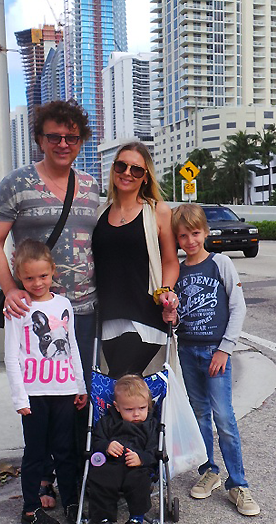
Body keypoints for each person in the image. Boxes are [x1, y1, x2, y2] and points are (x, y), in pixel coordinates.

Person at [0, 99, 99, 509]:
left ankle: (76, 477)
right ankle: (44, 479)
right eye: (55, 136)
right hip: (34, 315)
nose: (63, 144)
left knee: (76, 397)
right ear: (40, 139)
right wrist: (10, 288)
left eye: (72, 137)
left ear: (81, 141)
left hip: (83, 310)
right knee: (41, 400)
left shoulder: (91, 186)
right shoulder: (16, 184)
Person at [163, 203, 260, 516]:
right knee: (200, 414)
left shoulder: (220, 263)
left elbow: (237, 307)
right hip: (188, 351)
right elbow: (178, 318)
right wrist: (172, 317)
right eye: (183, 236)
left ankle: (239, 484)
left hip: (215, 352)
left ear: (205, 232)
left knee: (224, 418)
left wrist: (225, 348)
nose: (190, 241)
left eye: (195, 233)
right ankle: (209, 471)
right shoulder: (178, 271)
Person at [4, 239, 87, 524]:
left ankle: (72, 502)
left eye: (43, 275)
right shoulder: (18, 308)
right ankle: (30, 509)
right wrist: (20, 397)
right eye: (29, 278)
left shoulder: (63, 305)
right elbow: (11, 356)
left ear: (53, 271)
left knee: (65, 450)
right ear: (19, 276)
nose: (37, 283)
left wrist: (80, 385)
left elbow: (73, 346)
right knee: (35, 453)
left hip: (64, 391)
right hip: (34, 394)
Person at [91, 142, 179, 378]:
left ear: (146, 177)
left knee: (121, 380)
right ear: (113, 169)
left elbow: (170, 261)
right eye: (122, 166)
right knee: (124, 388)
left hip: (145, 315)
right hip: (109, 316)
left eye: (136, 169)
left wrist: (166, 291)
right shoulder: (99, 214)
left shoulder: (158, 211)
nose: (127, 173)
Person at [88, 375, 158, 524]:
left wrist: (141, 458)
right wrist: (106, 446)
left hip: (137, 468)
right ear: (117, 407)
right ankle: (104, 523)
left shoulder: (150, 426)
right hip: (110, 465)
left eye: (142, 408)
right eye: (129, 409)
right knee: (99, 478)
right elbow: (96, 442)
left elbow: (154, 452)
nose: (136, 414)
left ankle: (135, 523)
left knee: (140, 481)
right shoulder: (107, 422)